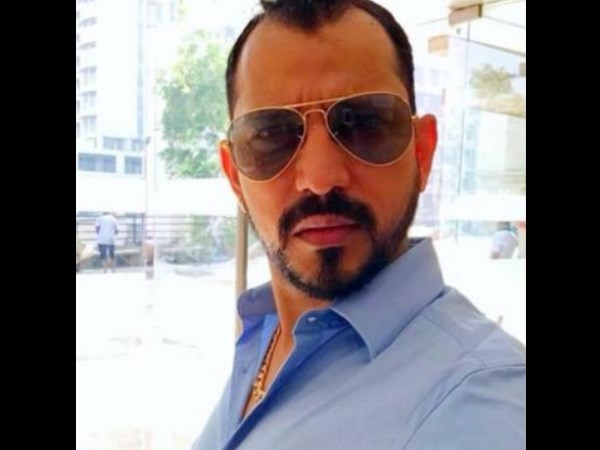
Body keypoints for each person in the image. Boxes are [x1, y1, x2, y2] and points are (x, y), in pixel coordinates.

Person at [193, 1, 525, 448]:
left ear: (422, 154)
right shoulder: (266, 332)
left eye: (366, 124)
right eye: (271, 135)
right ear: (235, 176)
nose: (320, 177)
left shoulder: (482, 406)